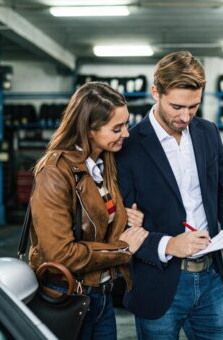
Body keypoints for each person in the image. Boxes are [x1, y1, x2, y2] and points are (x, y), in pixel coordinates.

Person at [115, 51, 223, 340]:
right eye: (176, 106)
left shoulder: (208, 132)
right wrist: (170, 244)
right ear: (155, 92)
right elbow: (121, 224)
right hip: (157, 283)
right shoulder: (128, 145)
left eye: (194, 107)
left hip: (211, 277)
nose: (185, 116)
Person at [29, 82, 149, 340]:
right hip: (69, 294)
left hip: (101, 294)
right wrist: (122, 249)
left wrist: (124, 216)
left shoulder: (104, 163)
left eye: (126, 124)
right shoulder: (55, 172)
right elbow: (60, 253)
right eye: (116, 128)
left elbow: (94, 218)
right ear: (88, 129)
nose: (126, 134)